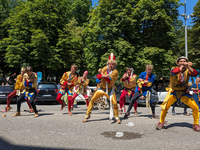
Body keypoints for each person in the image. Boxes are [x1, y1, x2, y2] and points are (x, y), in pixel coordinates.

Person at [156, 56, 200, 131]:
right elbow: (174, 72)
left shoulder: (188, 69)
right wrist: (185, 66)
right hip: (174, 91)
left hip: (184, 92)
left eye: (184, 61)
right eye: (181, 61)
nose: (183, 62)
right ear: (178, 63)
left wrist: (189, 67)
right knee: (165, 107)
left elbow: (195, 73)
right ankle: (161, 122)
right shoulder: (173, 68)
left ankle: (196, 124)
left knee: (195, 107)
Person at [82, 53, 121, 124]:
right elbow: (98, 76)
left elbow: (109, 80)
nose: (111, 65)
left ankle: (117, 117)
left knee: (115, 103)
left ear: (115, 65)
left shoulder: (115, 72)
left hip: (109, 90)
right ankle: (87, 115)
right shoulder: (104, 68)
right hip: (101, 88)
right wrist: (103, 76)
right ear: (108, 64)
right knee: (92, 99)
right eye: (110, 64)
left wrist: (102, 76)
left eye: (112, 64)